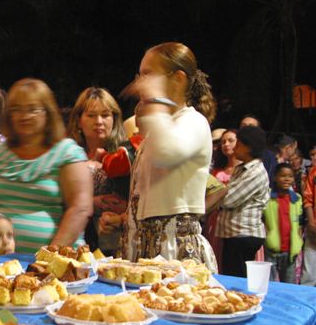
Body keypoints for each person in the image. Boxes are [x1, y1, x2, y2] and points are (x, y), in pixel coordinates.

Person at [116, 42, 218, 272]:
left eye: (148, 75)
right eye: (140, 76)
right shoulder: (162, 128)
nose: (140, 83)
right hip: (143, 251)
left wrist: (155, 101)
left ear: (178, 79)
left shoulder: (193, 121)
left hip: (175, 254)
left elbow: (166, 154)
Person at [0, 78, 92, 253]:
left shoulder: (66, 153)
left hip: (54, 263)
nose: (24, 116)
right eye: (16, 110)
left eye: (32, 109)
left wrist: (50, 255)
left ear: (48, 113)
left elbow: (80, 208)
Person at [66, 87, 131, 255]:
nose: (99, 121)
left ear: (114, 119)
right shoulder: (68, 155)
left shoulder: (126, 154)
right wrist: (92, 203)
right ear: (78, 121)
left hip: (117, 244)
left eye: (105, 115)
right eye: (91, 115)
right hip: (76, 241)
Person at [216, 126, 270, 277]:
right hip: (234, 234)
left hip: (244, 234)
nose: (234, 147)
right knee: (231, 276)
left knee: (237, 281)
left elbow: (228, 200)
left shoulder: (255, 172)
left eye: (238, 144)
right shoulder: (241, 168)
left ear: (249, 147)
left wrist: (215, 192)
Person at [263, 163, 303, 283]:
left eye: (290, 176)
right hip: (271, 249)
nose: (287, 179)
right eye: (283, 176)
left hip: (290, 251)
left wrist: (298, 242)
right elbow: (262, 218)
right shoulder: (268, 197)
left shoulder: (297, 199)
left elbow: (300, 223)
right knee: (269, 284)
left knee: (289, 285)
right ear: (275, 177)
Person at [239, 114, 276, 184]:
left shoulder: (268, 156)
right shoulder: (232, 150)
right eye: (244, 126)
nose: (247, 129)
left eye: (251, 126)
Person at [302, 162, 316, 286]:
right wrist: (311, 222)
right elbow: (308, 198)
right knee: (309, 276)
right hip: (314, 231)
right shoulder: (314, 172)